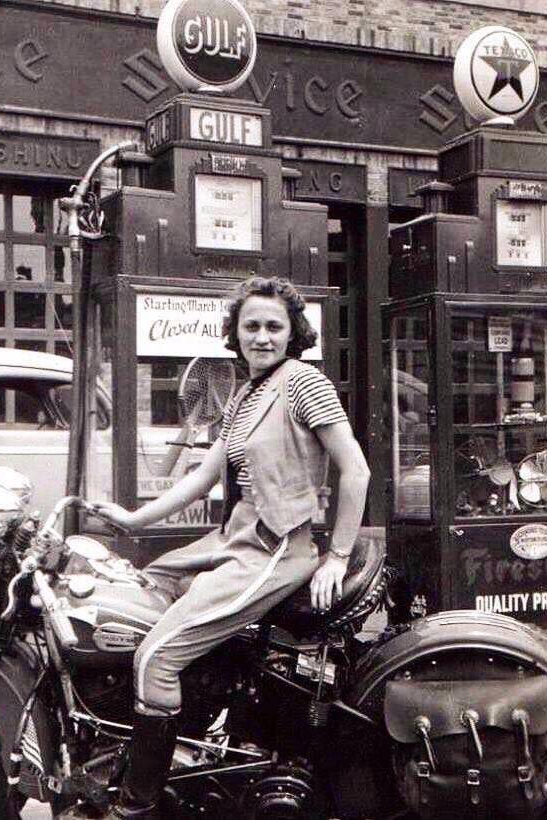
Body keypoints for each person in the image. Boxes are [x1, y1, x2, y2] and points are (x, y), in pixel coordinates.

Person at [66, 276, 370, 819]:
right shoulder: (246, 395)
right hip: (234, 537)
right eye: (251, 325)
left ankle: (137, 804)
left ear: (292, 333)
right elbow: (204, 475)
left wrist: (339, 555)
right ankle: (186, 740)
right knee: (144, 585)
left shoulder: (304, 383)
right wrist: (133, 519)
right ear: (235, 332)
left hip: (276, 546)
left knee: (155, 657)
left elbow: (357, 471)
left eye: (274, 326)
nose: (261, 336)